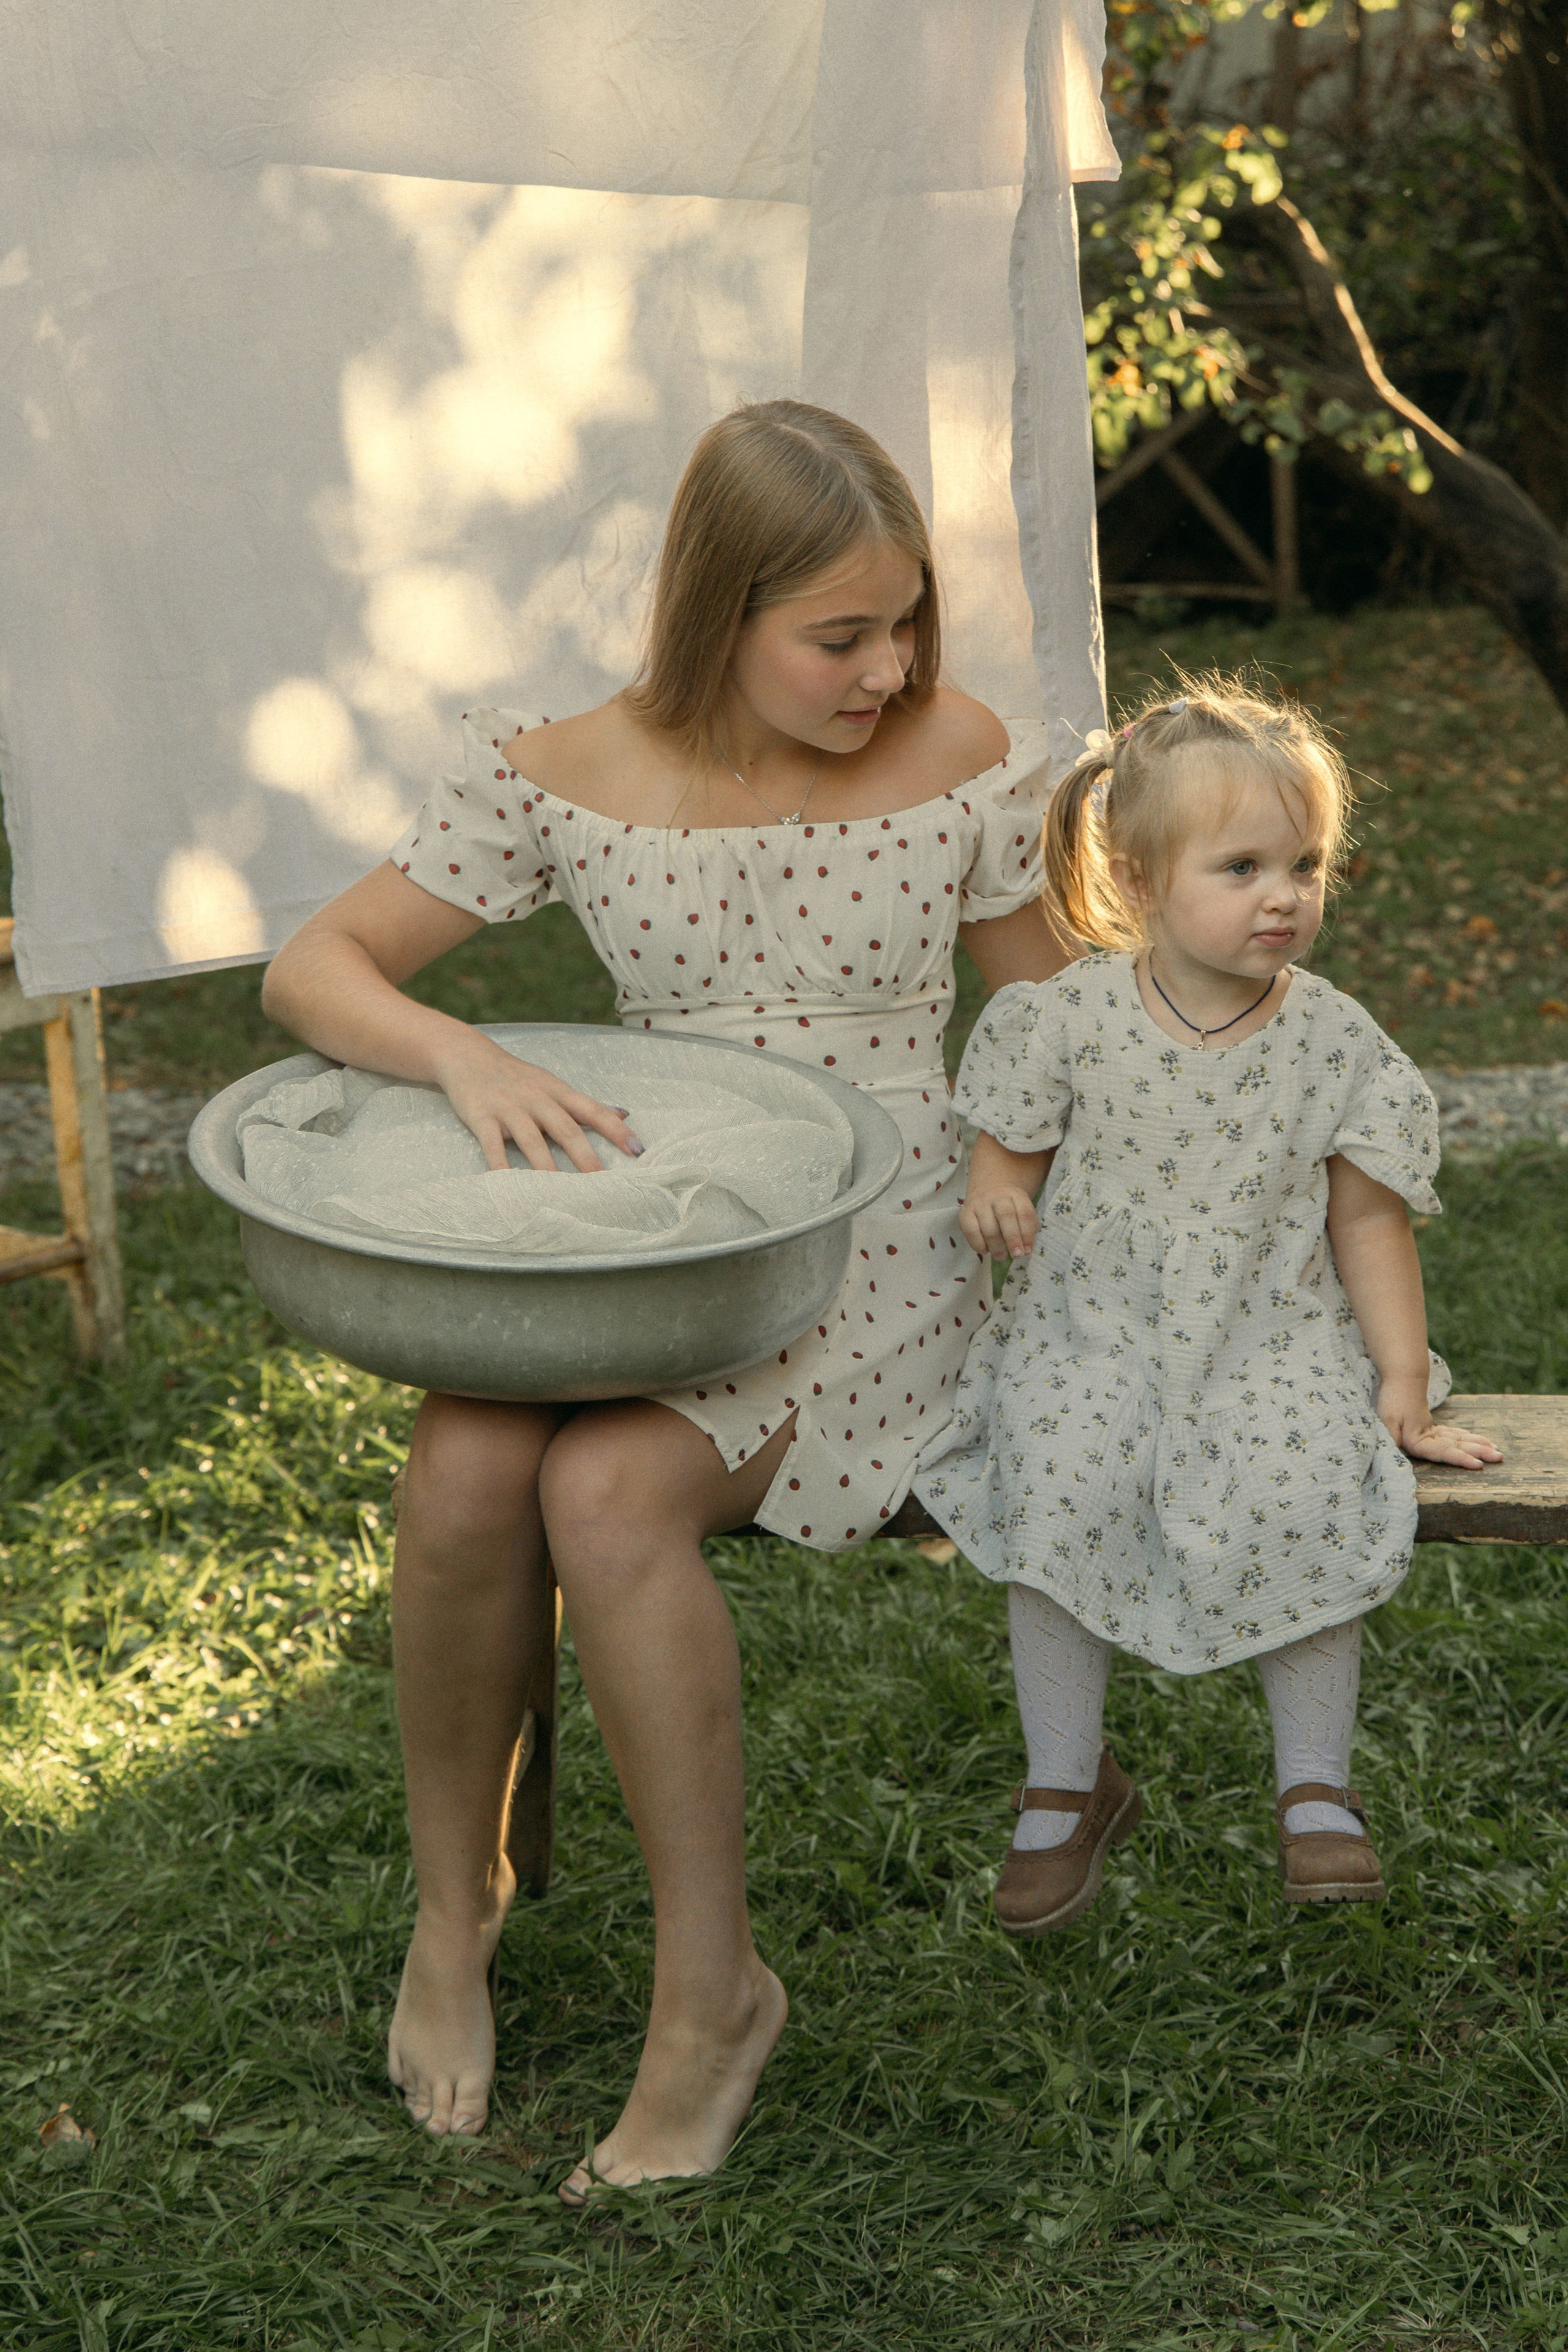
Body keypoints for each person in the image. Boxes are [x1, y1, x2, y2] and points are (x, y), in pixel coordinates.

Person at [260, 399, 1068, 2192]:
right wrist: (462, 1061)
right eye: (840, 635)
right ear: (719, 616)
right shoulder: (568, 769)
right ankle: (450, 1918)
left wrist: (1051, 1192)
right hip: (665, 1206)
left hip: (889, 1224)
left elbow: (1053, 1027)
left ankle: (713, 2003)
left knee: (605, 1484)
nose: (892, 667)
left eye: (907, 621)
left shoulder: (955, 751)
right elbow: (317, 969)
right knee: (471, 1459)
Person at [916, 677, 1501, 1936]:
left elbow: (1363, 1218)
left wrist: (1397, 1380)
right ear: (1134, 877)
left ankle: (1314, 1789)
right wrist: (994, 1198)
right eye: (1240, 866)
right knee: (1063, 1470)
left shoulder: (1331, 1039)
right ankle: (1061, 1787)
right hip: (1095, 1332)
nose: (1283, 893)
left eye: (1304, 862)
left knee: (1302, 1477)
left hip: (1264, 1334)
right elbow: (1007, 1149)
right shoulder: (1066, 1019)